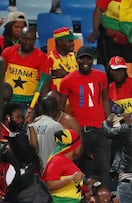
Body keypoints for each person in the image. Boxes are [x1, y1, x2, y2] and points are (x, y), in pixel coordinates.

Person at [59, 46, 111, 186]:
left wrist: (108, 120)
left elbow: (105, 99)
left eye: (89, 58)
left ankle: (104, 197)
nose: (86, 61)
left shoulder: (101, 76)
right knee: (78, 168)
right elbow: (61, 107)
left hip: (101, 129)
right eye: (83, 58)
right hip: (80, 131)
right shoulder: (67, 80)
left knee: (105, 169)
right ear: (77, 60)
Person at [2, 26, 50, 115]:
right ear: (20, 37)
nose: (27, 42)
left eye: (31, 40)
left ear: (35, 40)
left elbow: (44, 85)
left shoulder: (41, 57)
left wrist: (41, 107)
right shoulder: (7, 52)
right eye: (25, 39)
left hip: (28, 103)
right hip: (7, 101)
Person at [87, 0, 132, 66]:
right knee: (111, 63)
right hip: (110, 35)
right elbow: (99, 9)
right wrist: (95, 33)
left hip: (131, 34)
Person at [42, 129, 84, 203]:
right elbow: (50, 184)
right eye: (80, 144)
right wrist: (72, 178)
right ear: (75, 146)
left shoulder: (67, 161)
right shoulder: (58, 161)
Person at [30, 96, 63, 169]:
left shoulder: (32, 126)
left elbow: (32, 148)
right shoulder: (56, 126)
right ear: (56, 109)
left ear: (40, 108)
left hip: (37, 169)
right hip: (53, 168)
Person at [48, 27, 78, 92]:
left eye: (72, 41)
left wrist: (66, 74)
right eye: (69, 41)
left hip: (74, 96)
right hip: (58, 97)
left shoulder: (76, 56)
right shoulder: (49, 59)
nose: (73, 44)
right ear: (59, 42)